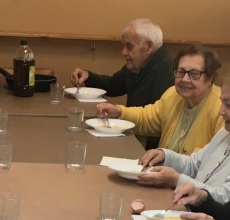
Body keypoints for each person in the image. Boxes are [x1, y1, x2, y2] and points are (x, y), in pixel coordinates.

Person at [137, 50, 230, 196]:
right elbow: (195, 164)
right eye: (222, 103)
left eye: (228, 105)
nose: (220, 111)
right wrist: (165, 156)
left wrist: (176, 179)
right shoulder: (227, 133)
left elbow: (227, 197)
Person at [95, 45, 223, 156]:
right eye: (180, 71)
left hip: (190, 176)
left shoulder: (222, 108)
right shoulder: (173, 94)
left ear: (210, 78)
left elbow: (216, 156)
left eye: (194, 74)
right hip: (161, 171)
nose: (184, 79)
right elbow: (148, 118)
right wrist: (119, 111)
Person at [70, 18, 173, 148]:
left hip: (146, 148)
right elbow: (114, 85)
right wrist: (88, 77)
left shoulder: (166, 72)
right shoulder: (140, 64)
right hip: (133, 137)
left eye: (129, 46)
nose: (123, 52)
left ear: (149, 46)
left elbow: (157, 125)